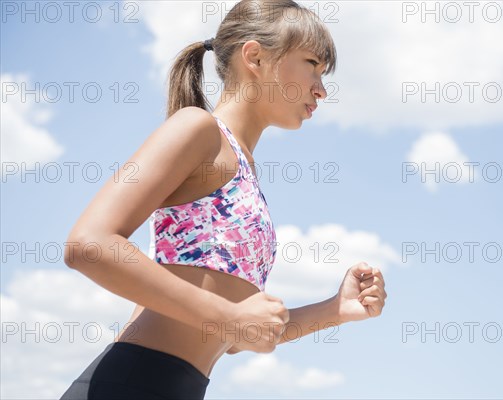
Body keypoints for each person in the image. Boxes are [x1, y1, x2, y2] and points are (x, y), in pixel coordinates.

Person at [59, 0, 387, 398]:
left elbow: (232, 338)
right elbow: (89, 244)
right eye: (312, 63)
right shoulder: (198, 128)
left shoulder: (246, 174)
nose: (321, 88)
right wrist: (230, 316)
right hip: (133, 383)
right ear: (256, 57)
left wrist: (335, 310)